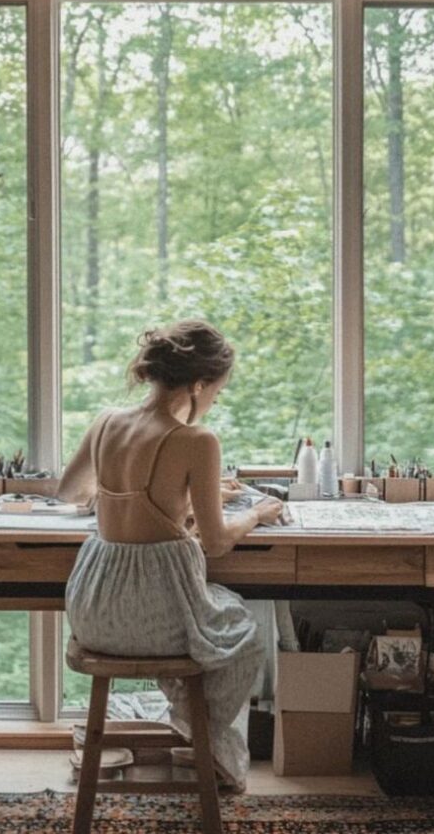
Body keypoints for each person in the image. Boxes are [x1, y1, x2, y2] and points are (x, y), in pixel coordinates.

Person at [58, 319, 283, 792]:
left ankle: (196, 732)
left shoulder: (105, 422)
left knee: (211, 628)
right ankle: (203, 734)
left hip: (93, 613)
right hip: (154, 618)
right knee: (246, 634)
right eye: (217, 393)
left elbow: (71, 491)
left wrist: (163, 499)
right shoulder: (196, 441)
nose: (214, 402)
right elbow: (218, 542)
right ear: (199, 385)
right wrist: (257, 516)